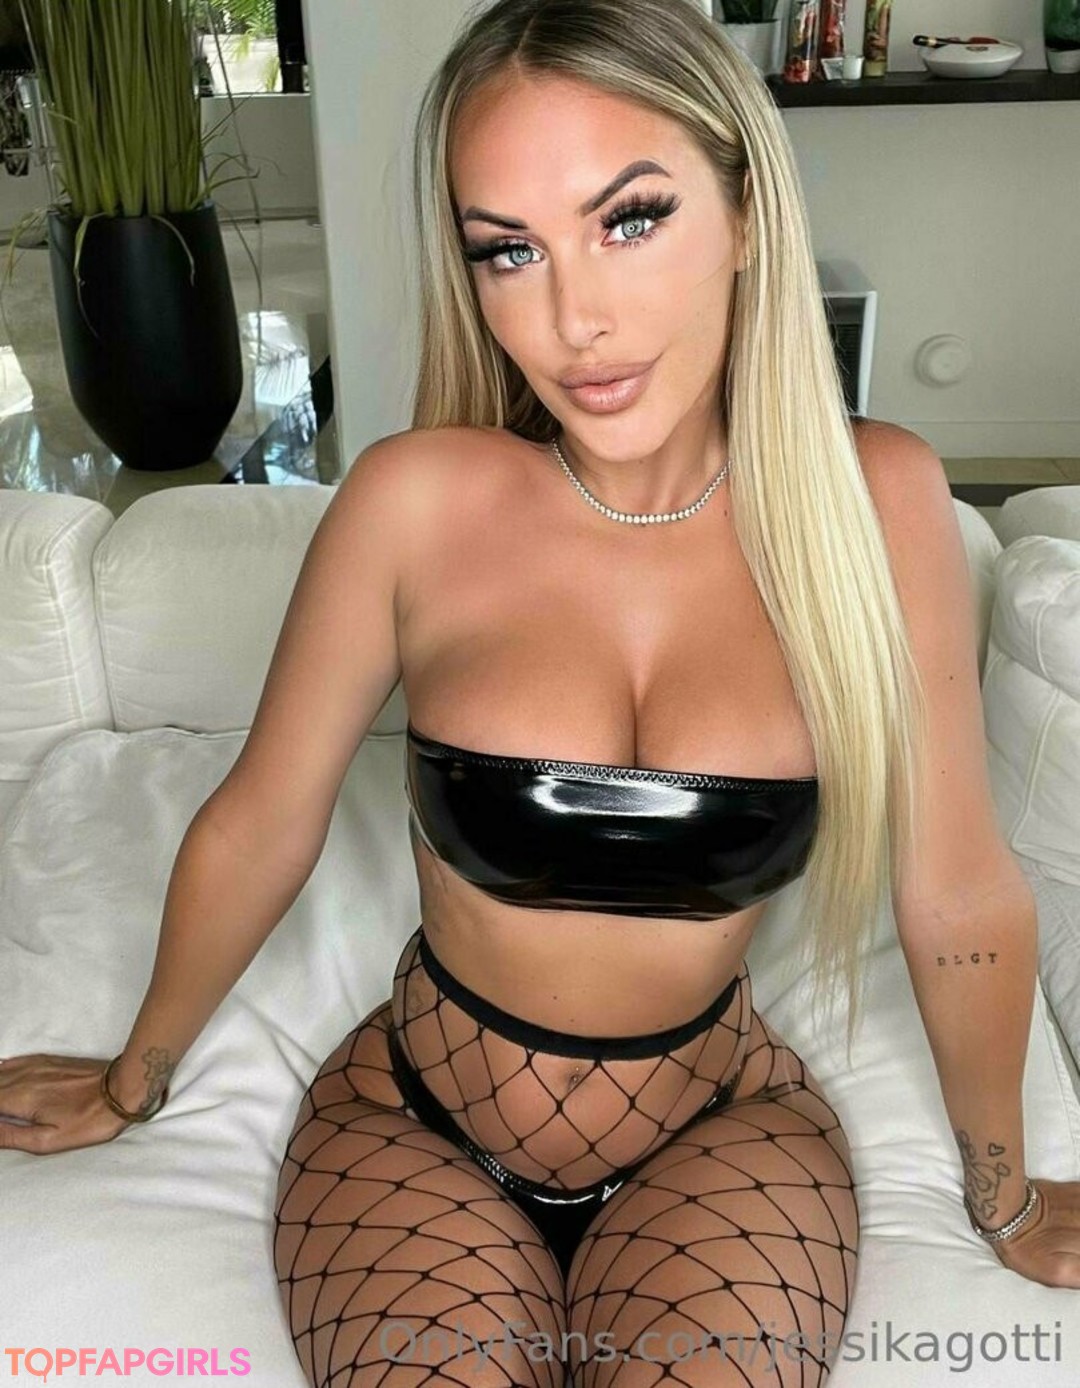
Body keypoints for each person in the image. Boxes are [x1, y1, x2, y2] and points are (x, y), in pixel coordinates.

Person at [2, 0, 1078, 1383]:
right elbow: (263, 821)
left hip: (720, 1134)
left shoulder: (878, 503)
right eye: (508, 250)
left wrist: (1005, 1195)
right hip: (416, 1127)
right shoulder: (416, 501)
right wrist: (131, 1079)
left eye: (630, 219)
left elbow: (959, 891)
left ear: (748, 214)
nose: (575, 320)